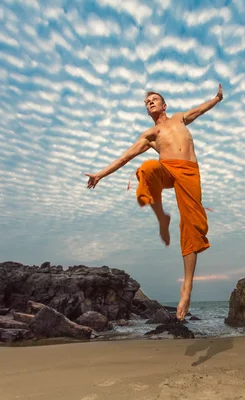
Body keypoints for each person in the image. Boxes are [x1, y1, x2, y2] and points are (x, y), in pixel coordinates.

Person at [85, 84, 223, 320]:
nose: (150, 102)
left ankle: (187, 287)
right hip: (167, 171)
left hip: (189, 173)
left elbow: (200, 110)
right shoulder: (150, 135)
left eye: (154, 99)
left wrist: (217, 98)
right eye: (147, 102)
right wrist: (100, 174)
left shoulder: (179, 119)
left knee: (192, 226)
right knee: (147, 168)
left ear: (164, 105)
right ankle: (161, 214)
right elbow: (125, 157)